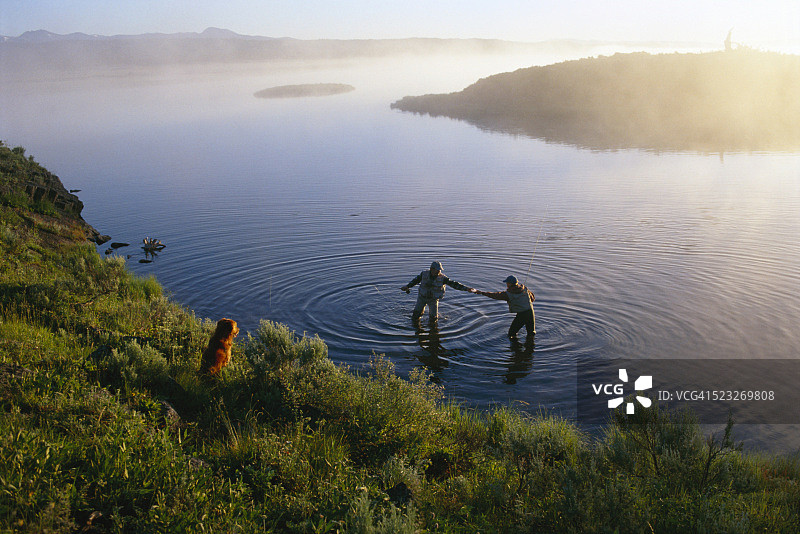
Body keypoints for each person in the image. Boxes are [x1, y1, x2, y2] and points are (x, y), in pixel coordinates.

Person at [401, 261, 475, 325]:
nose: (438, 272)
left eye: (439, 270)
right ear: (431, 269)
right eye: (437, 270)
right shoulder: (424, 274)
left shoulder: (443, 278)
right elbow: (415, 281)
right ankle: (417, 329)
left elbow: (454, 284)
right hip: (422, 298)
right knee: (416, 316)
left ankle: (433, 329)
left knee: (433, 319)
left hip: (433, 299)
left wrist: (466, 288)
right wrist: (407, 286)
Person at [476, 275, 535, 340]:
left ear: (509, 284)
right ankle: (530, 347)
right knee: (531, 333)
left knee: (511, 334)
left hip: (522, 315)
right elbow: (532, 299)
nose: (506, 284)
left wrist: (481, 293)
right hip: (530, 312)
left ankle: (515, 348)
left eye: (507, 283)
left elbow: (495, 295)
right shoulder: (525, 289)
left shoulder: (508, 294)